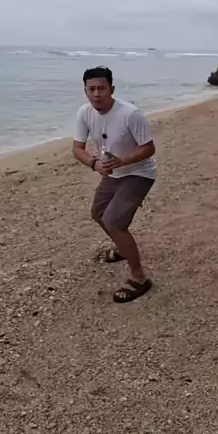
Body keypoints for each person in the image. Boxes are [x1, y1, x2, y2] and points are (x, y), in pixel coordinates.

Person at [72, 66, 156, 303]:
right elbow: (77, 148)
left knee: (114, 221)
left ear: (112, 89)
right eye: (91, 89)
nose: (96, 94)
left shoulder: (130, 114)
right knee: (98, 213)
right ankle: (122, 247)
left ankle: (139, 278)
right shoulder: (84, 113)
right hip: (112, 172)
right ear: (85, 91)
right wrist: (94, 164)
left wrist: (122, 161)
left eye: (101, 88)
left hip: (139, 172)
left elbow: (149, 149)